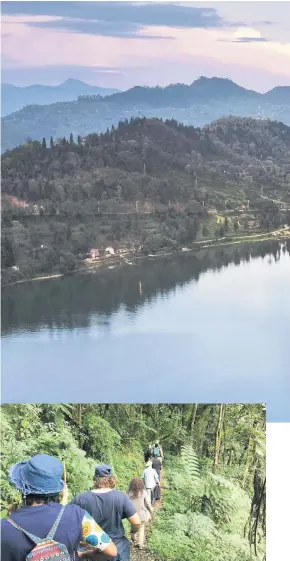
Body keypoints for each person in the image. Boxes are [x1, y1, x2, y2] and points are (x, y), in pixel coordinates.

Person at [1, 454, 117, 561]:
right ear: (57, 489)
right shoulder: (77, 515)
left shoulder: (5, 527)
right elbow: (111, 551)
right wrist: (84, 555)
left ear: (22, 486)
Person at [70, 464, 141, 561]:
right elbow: (136, 522)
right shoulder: (121, 496)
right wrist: (133, 531)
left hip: (89, 546)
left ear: (95, 479)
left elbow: (66, 517)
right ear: (112, 479)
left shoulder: (81, 498)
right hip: (116, 546)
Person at [128, 477, 153, 550]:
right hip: (142, 514)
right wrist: (151, 511)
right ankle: (140, 544)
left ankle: (133, 535)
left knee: (133, 525)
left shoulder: (129, 493)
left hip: (132, 514)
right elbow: (148, 503)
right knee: (142, 528)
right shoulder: (143, 492)